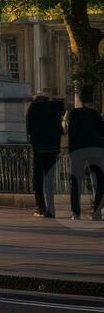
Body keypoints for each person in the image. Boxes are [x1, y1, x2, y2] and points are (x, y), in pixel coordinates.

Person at [66, 87, 103, 220]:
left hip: (77, 151)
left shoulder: (72, 114)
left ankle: (75, 212)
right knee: (99, 181)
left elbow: (70, 132)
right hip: (95, 150)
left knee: (76, 182)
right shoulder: (95, 114)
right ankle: (97, 211)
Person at [26, 93, 65, 218]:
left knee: (38, 181)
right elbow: (60, 129)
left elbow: (29, 128)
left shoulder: (33, 108)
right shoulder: (54, 108)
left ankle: (41, 208)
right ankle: (51, 209)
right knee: (49, 181)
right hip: (53, 149)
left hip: (39, 150)